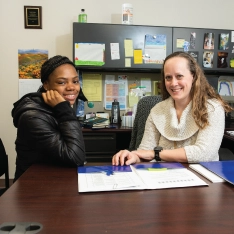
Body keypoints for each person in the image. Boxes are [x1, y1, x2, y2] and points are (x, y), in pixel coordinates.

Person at [112, 51, 233, 166]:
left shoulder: (213, 108)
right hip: (163, 175)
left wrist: (156, 154)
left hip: (202, 178)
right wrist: (133, 156)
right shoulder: (157, 110)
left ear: (194, 76)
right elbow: (145, 152)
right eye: (168, 77)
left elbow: (204, 153)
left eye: (179, 76)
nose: (173, 83)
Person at [12, 55, 86, 181]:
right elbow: (75, 158)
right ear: (46, 85)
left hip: (56, 181)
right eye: (62, 82)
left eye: (75, 81)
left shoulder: (56, 107)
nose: (71, 87)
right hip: (33, 188)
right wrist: (65, 111)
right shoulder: (32, 117)